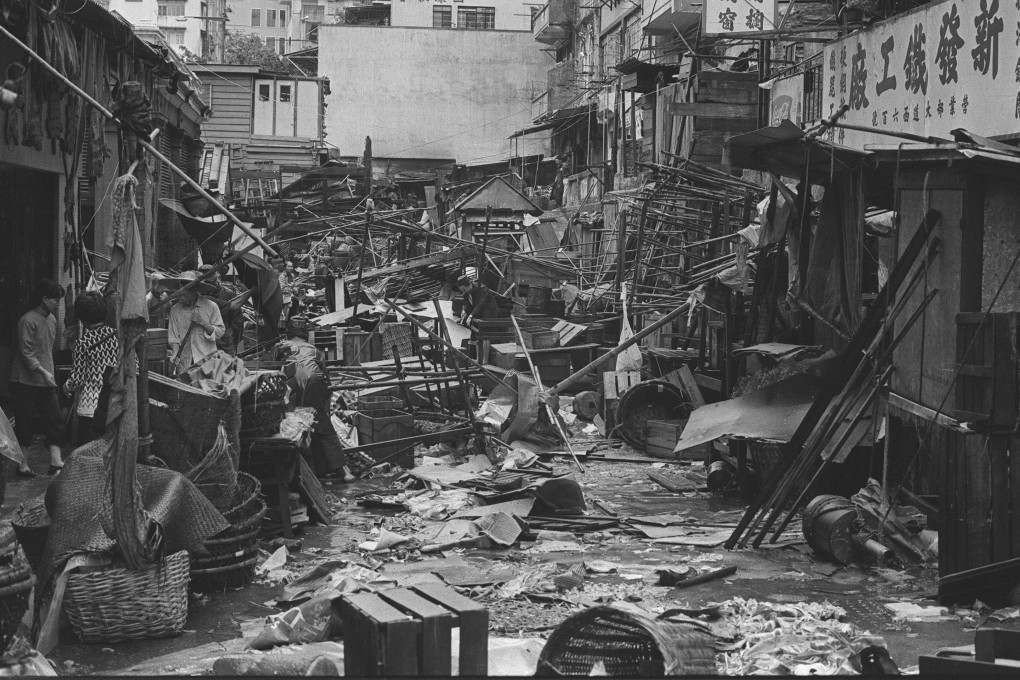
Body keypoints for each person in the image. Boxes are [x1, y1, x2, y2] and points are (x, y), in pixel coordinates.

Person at [273, 316, 354, 481]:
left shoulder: (280, 348)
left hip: (292, 385)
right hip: (315, 384)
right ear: (305, 334)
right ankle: (345, 472)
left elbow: (274, 371)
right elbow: (326, 380)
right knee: (324, 427)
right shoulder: (314, 350)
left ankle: (305, 474)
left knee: (295, 424)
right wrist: (323, 405)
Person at [9, 279, 65, 476]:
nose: (58, 303)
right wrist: (43, 371)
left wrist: (47, 372)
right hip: (23, 380)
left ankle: (56, 461)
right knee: (25, 423)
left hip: (45, 378)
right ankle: (23, 464)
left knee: (55, 419)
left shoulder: (52, 320)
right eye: (55, 300)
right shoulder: (27, 320)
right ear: (44, 299)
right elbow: (26, 352)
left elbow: (48, 350)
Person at [63, 291, 118, 446]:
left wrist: (66, 386)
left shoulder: (83, 343)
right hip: (113, 403)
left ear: (82, 317)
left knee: (87, 453)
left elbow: (77, 379)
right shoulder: (118, 336)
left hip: (90, 406)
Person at [167, 273, 225, 375]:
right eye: (181, 291)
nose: (182, 295)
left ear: (195, 291)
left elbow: (220, 332)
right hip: (185, 361)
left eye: (187, 291)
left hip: (206, 360)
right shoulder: (175, 310)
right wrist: (175, 354)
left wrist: (203, 322)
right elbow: (173, 337)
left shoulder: (211, 306)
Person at [198, 264, 244, 355]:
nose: (217, 282)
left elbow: (237, 320)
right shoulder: (200, 295)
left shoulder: (228, 293)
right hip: (204, 340)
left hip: (225, 340)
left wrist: (234, 340)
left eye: (216, 279)